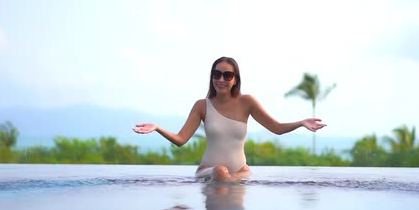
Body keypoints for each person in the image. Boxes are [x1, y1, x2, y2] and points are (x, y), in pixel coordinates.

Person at [133, 56, 327, 181]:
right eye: (217, 74)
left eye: (227, 75)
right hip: (210, 172)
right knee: (219, 171)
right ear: (212, 77)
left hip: (240, 173)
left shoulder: (247, 102)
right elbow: (181, 140)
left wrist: (301, 123)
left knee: (229, 183)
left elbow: (276, 127)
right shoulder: (202, 105)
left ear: (235, 79)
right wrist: (158, 128)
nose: (221, 79)